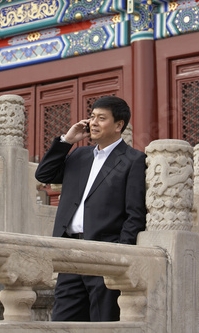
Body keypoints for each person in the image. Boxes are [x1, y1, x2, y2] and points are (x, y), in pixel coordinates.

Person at [35, 95, 146, 322]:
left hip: (104, 254)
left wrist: (120, 254)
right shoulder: (79, 154)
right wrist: (67, 140)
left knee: (103, 321)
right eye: (92, 116)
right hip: (70, 252)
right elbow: (43, 174)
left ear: (119, 125)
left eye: (101, 118)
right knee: (63, 322)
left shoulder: (133, 160)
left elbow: (135, 214)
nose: (93, 122)